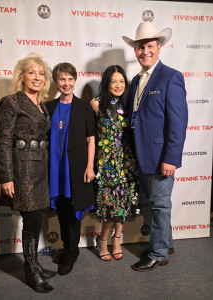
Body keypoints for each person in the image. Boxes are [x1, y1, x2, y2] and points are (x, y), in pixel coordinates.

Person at [122, 21, 188, 271]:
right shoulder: (136, 79)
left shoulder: (171, 76)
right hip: (142, 155)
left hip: (162, 157)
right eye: (140, 47)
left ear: (159, 47)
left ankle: (159, 253)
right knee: (158, 204)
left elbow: (178, 121)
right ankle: (166, 242)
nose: (144, 51)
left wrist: (171, 157)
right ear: (135, 50)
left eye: (149, 46)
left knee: (160, 205)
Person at [0, 53, 56, 293]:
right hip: (21, 170)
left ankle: (35, 266)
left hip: (40, 167)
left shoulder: (41, 104)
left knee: (35, 219)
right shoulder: (11, 102)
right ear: (22, 76)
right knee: (30, 219)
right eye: (32, 72)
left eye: (41, 73)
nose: (37, 77)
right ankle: (31, 272)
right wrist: (6, 177)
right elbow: (2, 141)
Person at [45, 62, 95, 275]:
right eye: (62, 79)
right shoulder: (48, 107)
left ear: (75, 80)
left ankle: (72, 253)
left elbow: (91, 139)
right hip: (54, 168)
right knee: (62, 211)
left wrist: (90, 166)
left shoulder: (84, 107)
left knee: (74, 211)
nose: (66, 83)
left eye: (70, 79)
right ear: (57, 81)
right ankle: (67, 248)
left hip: (75, 168)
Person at [90, 65, 140, 261]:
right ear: (106, 82)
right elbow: (89, 136)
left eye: (121, 81)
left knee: (124, 205)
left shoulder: (129, 103)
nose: (118, 85)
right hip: (107, 163)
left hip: (127, 161)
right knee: (112, 207)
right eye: (113, 81)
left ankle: (117, 239)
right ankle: (103, 240)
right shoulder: (96, 103)